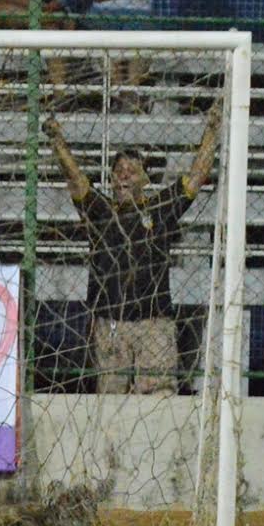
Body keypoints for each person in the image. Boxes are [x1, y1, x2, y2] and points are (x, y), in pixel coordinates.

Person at [44, 101, 223, 394]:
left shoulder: (161, 208)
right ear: (112, 178)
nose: (124, 174)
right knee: (111, 401)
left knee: (158, 399)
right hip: (109, 321)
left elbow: (195, 178)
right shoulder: (101, 210)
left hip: (154, 322)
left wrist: (212, 132)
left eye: (132, 170)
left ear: (145, 179)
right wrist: (57, 140)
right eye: (119, 170)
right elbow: (74, 178)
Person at [84, 0, 156, 111]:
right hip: (102, 13)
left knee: (139, 39)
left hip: (139, 13)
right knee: (101, 39)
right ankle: (118, 94)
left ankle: (131, 93)